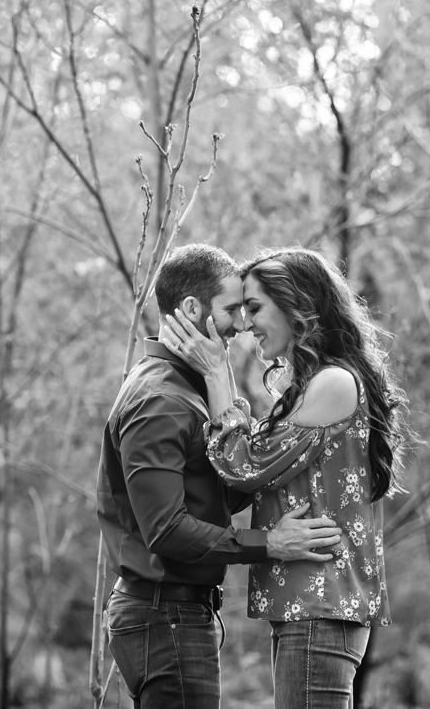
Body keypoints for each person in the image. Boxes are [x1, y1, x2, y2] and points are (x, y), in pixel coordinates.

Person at [159, 247, 415, 709]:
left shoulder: (334, 383)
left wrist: (218, 375)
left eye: (254, 308)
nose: (244, 325)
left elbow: (245, 465)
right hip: (306, 606)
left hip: (322, 603)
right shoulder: (308, 385)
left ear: (298, 304)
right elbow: (254, 461)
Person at [98, 243, 346, 708]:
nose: (242, 325)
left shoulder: (185, 392)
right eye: (232, 309)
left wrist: (224, 397)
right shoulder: (161, 401)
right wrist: (270, 544)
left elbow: (229, 490)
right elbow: (166, 530)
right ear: (192, 308)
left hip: (178, 611)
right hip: (162, 612)